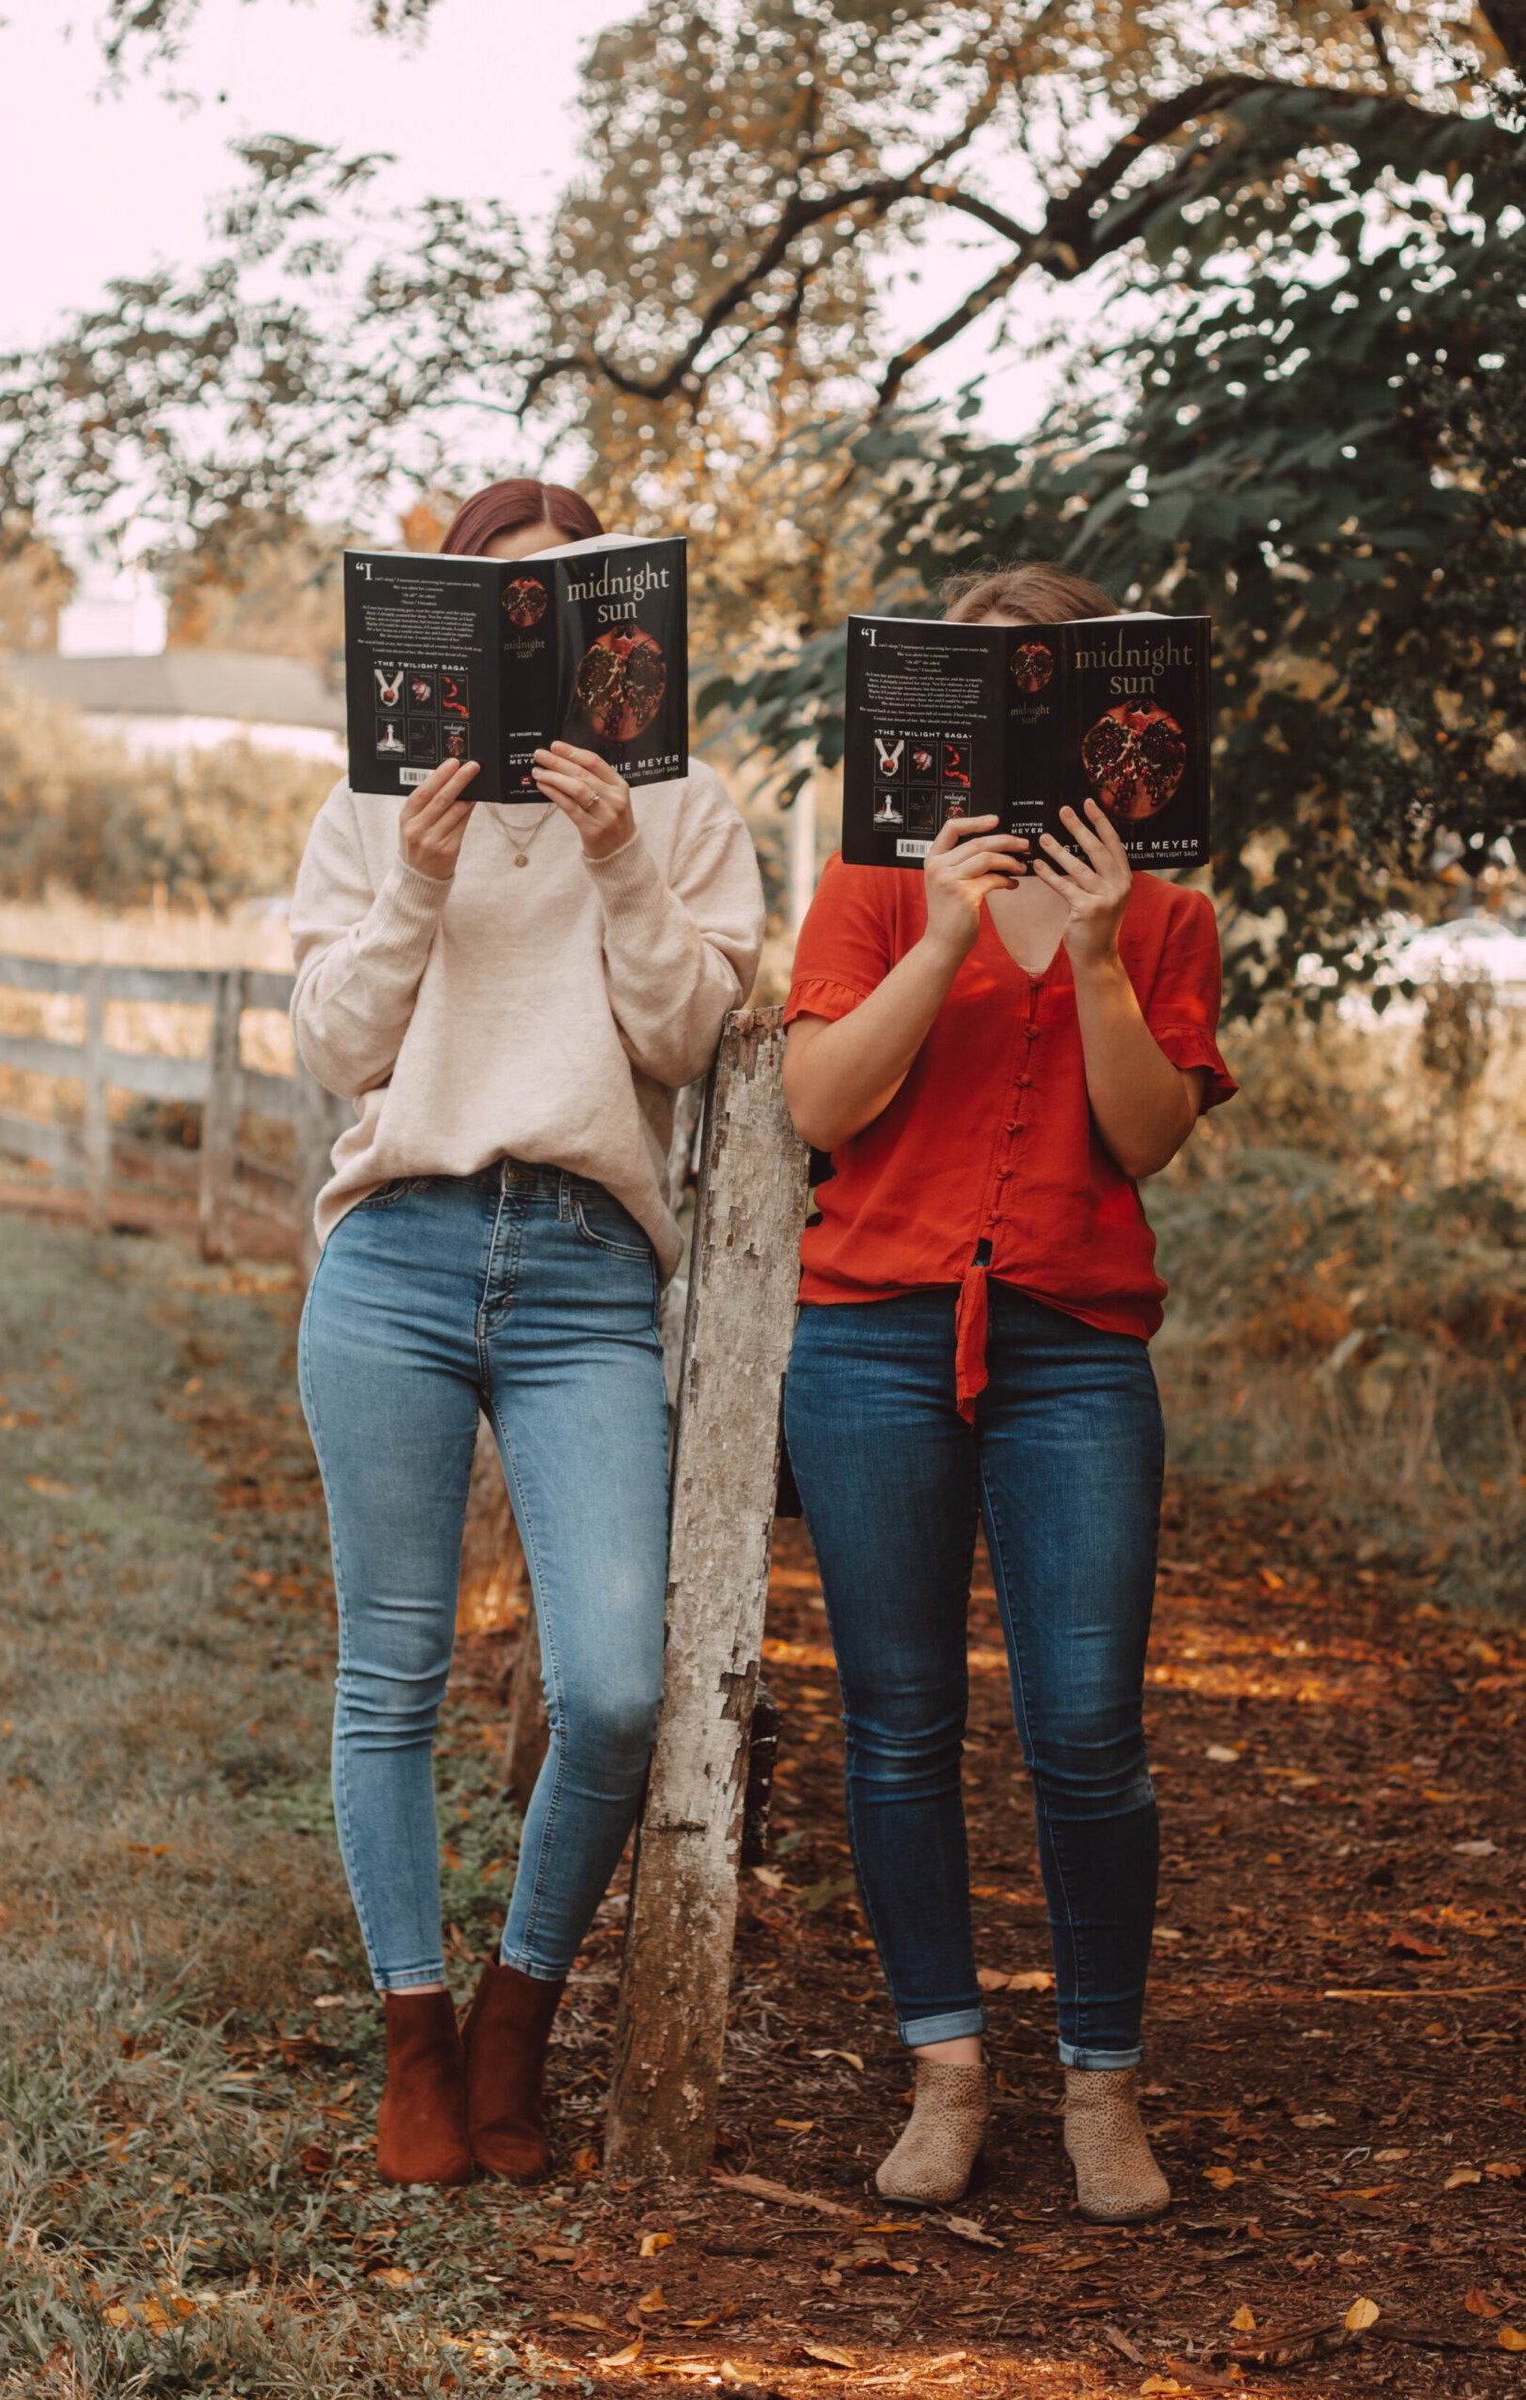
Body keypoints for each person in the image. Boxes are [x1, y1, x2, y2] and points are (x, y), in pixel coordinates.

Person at [291, 477, 764, 2187]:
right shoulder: (368, 801)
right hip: (399, 1253)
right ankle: (417, 2041)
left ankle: (518, 2016)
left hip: (581, 1267)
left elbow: (693, 1036)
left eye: (566, 602)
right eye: (500, 602)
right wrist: (413, 885)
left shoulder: (688, 801)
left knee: (619, 1688)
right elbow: (341, 1050)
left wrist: (625, 857)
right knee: (392, 1674)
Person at [780, 560, 1236, 2220]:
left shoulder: (1168, 907)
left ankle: (1102, 2090)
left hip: (1074, 1355)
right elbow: (821, 1105)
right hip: (872, 1341)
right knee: (900, 1728)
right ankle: (948, 2070)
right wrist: (949, 929)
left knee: (1089, 1735)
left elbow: (1145, 1139)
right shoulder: (870, 883)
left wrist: (1100, 952)